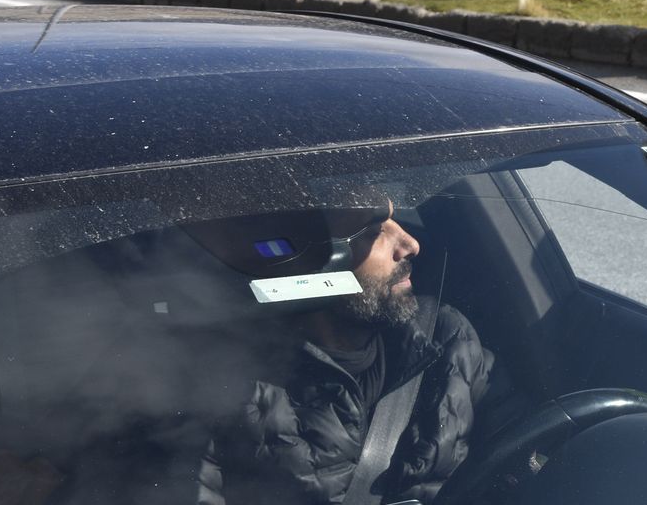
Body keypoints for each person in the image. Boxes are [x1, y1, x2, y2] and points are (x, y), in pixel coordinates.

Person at [191, 200, 510, 505]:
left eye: (393, 220)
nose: (411, 244)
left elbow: (527, 448)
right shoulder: (224, 392)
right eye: (373, 231)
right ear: (308, 262)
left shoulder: (445, 335)